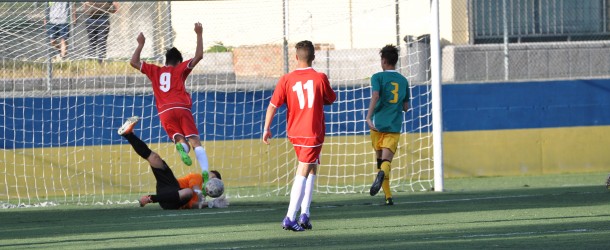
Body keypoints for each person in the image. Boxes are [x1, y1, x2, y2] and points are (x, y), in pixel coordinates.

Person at [262, 40, 336, 231]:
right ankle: (289, 217)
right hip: (312, 132)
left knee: (311, 169)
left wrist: (266, 128)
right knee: (303, 170)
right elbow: (330, 99)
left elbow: (273, 105)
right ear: (313, 57)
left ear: (296, 57)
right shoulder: (320, 77)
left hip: (294, 132)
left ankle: (305, 215)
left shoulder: (286, 79)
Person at [130, 22, 213, 188]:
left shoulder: (155, 71)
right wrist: (199, 34)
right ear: (179, 61)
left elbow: (133, 62)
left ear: (166, 61)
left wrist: (140, 45)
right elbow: (199, 56)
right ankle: (205, 171)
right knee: (195, 141)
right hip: (181, 107)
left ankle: (181, 148)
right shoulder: (181, 68)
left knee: (180, 140)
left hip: (165, 111)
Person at [118, 116, 228, 209]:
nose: (210, 182)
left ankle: (150, 198)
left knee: (187, 193)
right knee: (155, 158)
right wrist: (201, 196)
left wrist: (211, 203)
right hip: (169, 186)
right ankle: (129, 135)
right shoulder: (198, 178)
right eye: (210, 178)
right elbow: (194, 187)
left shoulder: (199, 197)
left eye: (212, 182)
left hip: (172, 199)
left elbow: (193, 204)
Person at [366, 45, 410, 206]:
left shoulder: (377, 77)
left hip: (377, 125)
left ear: (383, 61)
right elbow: (406, 107)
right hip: (393, 127)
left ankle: (388, 196)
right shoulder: (403, 81)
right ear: (395, 61)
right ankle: (387, 194)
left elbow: (376, 95)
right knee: (386, 163)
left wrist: (369, 116)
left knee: (379, 162)